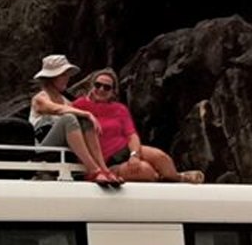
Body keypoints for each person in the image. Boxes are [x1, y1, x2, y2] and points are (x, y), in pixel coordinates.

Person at [74, 68, 205, 183]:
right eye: (98, 85)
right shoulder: (80, 105)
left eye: (107, 87)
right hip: (106, 160)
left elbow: (131, 135)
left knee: (161, 158)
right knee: (145, 170)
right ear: (92, 86)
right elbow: (60, 110)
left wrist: (134, 155)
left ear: (113, 92)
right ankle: (161, 178)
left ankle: (176, 178)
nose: (101, 89)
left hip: (124, 149)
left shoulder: (120, 109)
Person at [29, 54, 122, 187]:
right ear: (51, 78)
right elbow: (56, 109)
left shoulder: (67, 102)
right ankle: (93, 170)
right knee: (69, 119)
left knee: (84, 120)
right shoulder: (40, 99)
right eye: (63, 75)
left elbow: (76, 114)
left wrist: (88, 116)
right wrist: (87, 113)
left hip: (64, 150)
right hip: (44, 151)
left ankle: (104, 169)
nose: (67, 78)